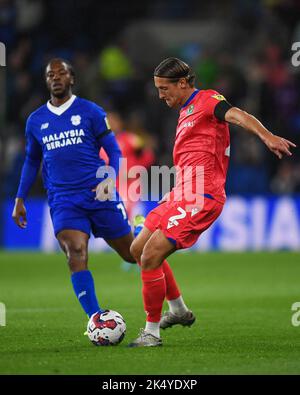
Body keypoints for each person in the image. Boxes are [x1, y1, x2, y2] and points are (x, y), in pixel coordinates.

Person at [128, 57, 296, 347]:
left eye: (164, 88)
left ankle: (151, 333)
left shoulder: (207, 100)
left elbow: (238, 115)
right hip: (180, 192)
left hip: (202, 197)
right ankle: (179, 310)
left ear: (182, 83)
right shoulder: (184, 111)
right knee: (137, 249)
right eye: (157, 89)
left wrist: (266, 136)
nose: (160, 95)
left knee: (151, 256)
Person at [12, 58, 136, 324]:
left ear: (72, 78)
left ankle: (140, 231)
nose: (56, 77)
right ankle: (95, 319)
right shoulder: (35, 121)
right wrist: (20, 198)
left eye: (61, 73)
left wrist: (109, 179)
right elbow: (32, 160)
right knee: (75, 252)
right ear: (46, 81)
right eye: (50, 75)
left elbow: (113, 150)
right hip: (63, 199)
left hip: (98, 193)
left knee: (133, 254)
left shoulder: (90, 111)